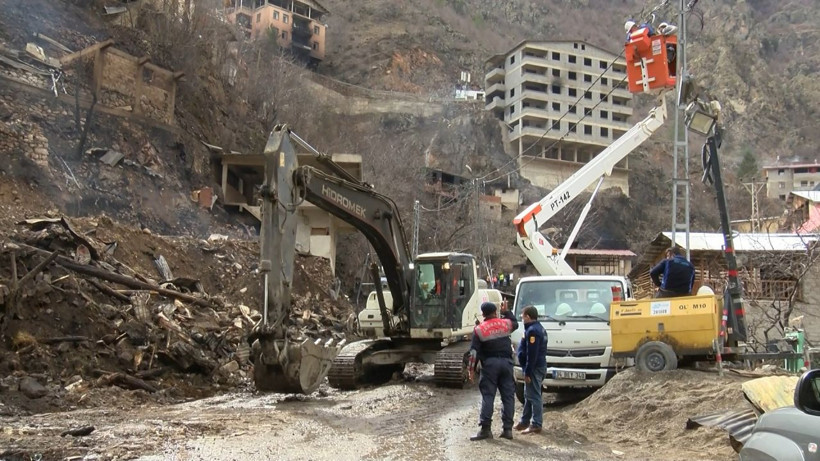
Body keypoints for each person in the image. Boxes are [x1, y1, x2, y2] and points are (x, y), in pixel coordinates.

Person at [467, 301, 519, 441]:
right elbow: (515, 323)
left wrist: (471, 370)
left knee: (488, 396)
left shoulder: (479, 329)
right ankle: (507, 430)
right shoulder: (505, 323)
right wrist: (507, 311)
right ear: (495, 312)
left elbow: (473, 353)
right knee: (508, 397)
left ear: (483, 314)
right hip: (507, 364)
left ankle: (485, 429)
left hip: (490, 365)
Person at [514, 305, 548, 435]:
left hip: (534, 368)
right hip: (536, 367)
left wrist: (528, 372)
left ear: (528, 316)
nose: (522, 319)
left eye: (522, 316)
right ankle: (524, 421)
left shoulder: (533, 331)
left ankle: (536, 424)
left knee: (534, 396)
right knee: (529, 395)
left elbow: (532, 354)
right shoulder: (536, 328)